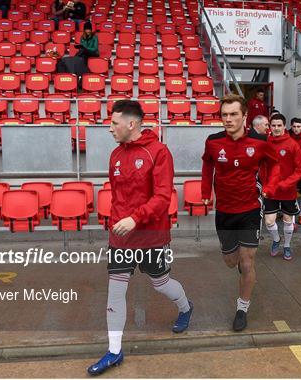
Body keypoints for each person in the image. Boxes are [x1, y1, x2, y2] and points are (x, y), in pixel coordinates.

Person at [87, 100, 192, 376]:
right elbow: (118, 196)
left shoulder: (158, 152)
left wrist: (135, 218)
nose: (109, 129)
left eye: (114, 123)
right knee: (116, 289)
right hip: (121, 237)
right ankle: (114, 351)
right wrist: (117, 223)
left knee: (161, 283)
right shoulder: (115, 155)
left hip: (152, 236)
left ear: (131, 124)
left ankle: (185, 306)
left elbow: (162, 197)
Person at [201, 94, 281, 332]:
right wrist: (207, 190)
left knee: (247, 263)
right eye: (224, 115)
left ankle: (242, 308)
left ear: (244, 116)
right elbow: (207, 164)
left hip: (250, 209)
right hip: (224, 211)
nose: (228, 119)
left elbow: (275, 164)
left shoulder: (260, 142)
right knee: (230, 261)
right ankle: (238, 261)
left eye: (234, 114)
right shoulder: (213, 142)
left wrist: (269, 187)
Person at [262, 114, 301, 260]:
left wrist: (286, 183)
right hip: (271, 191)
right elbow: (262, 166)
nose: (276, 128)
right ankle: (276, 240)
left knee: (288, 221)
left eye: (279, 125)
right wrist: (265, 184)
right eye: (273, 125)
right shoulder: (265, 143)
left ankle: (287, 245)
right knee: (269, 222)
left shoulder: (292, 144)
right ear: (270, 126)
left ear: (284, 126)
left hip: (288, 191)